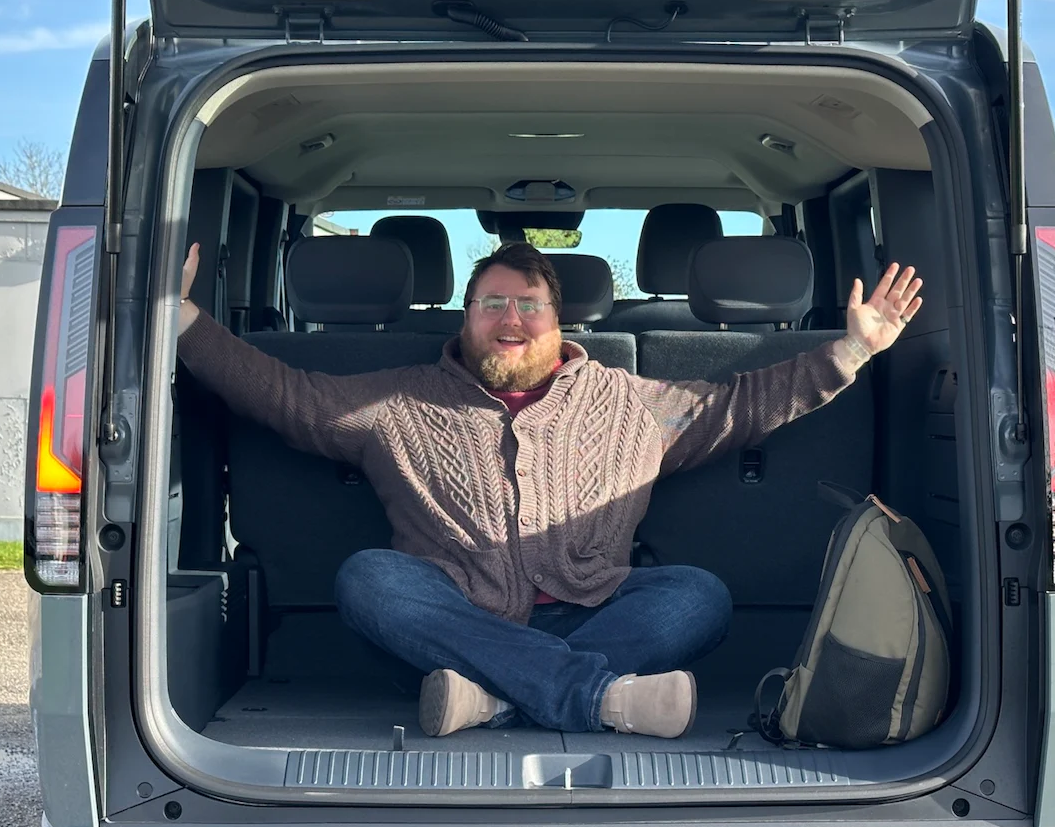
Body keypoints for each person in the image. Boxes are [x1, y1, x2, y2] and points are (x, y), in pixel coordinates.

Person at [175, 240, 924, 739]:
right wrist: (183, 324)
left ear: (558, 320)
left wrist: (853, 348)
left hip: (589, 612)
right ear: (466, 317)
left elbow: (743, 405)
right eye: (492, 303)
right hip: (454, 619)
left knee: (698, 595)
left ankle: (494, 700)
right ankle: (594, 698)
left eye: (529, 304)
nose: (512, 319)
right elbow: (283, 394)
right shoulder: (395, 400)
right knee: (370, 579)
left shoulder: (629, 402)